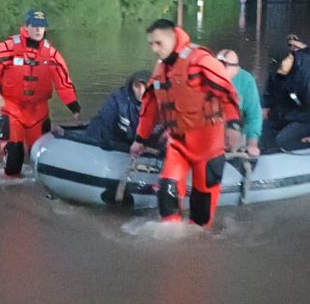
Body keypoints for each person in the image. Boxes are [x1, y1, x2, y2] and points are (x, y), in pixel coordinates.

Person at [130, 19, 241, 227]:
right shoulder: (161, 69)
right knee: (166, 190)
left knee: (202, 208)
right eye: (151, 44)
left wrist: (233, 126)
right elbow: (150, 106)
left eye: (158, 43)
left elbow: (227, 94)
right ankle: (172, 241)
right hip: (179, 143)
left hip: (208, 145)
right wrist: (140, 139)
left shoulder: (200, 61)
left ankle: (198, 247)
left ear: (172, 38)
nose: (154, 49)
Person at [0, 7, 81, 176]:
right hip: (12, 108)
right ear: (26, 26)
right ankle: (10, 192)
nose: (37, 30)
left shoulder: (52, 54)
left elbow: (63, 82)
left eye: (41, 26)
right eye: (34, 25)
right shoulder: (9, 47)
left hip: (38, 112)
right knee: (14, 162)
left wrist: (74, 107)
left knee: (41, 162)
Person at [261, 43, 310, 150]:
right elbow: (270, 88)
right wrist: (267, 105)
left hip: (309, 117)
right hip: (289, 110)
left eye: (280, 66)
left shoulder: (309, 74)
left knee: (284, 140)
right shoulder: (278, 69)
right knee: (262, 130)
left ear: (290, 58)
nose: (278, 70)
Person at [75, 71, 149, 148]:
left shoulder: (160, 100)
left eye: (147, 87)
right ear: (131, 86)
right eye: (137, 86)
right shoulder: (119, 97)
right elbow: (105, 119)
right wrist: (107, 144)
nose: (142, 92)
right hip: (121, 140)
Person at [215, 49, 262, 158]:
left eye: (224, 66)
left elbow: (254, 116)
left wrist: (252, 144)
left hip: (238, 134)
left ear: (236, 69)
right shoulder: (208, 79)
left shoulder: (246, 81)